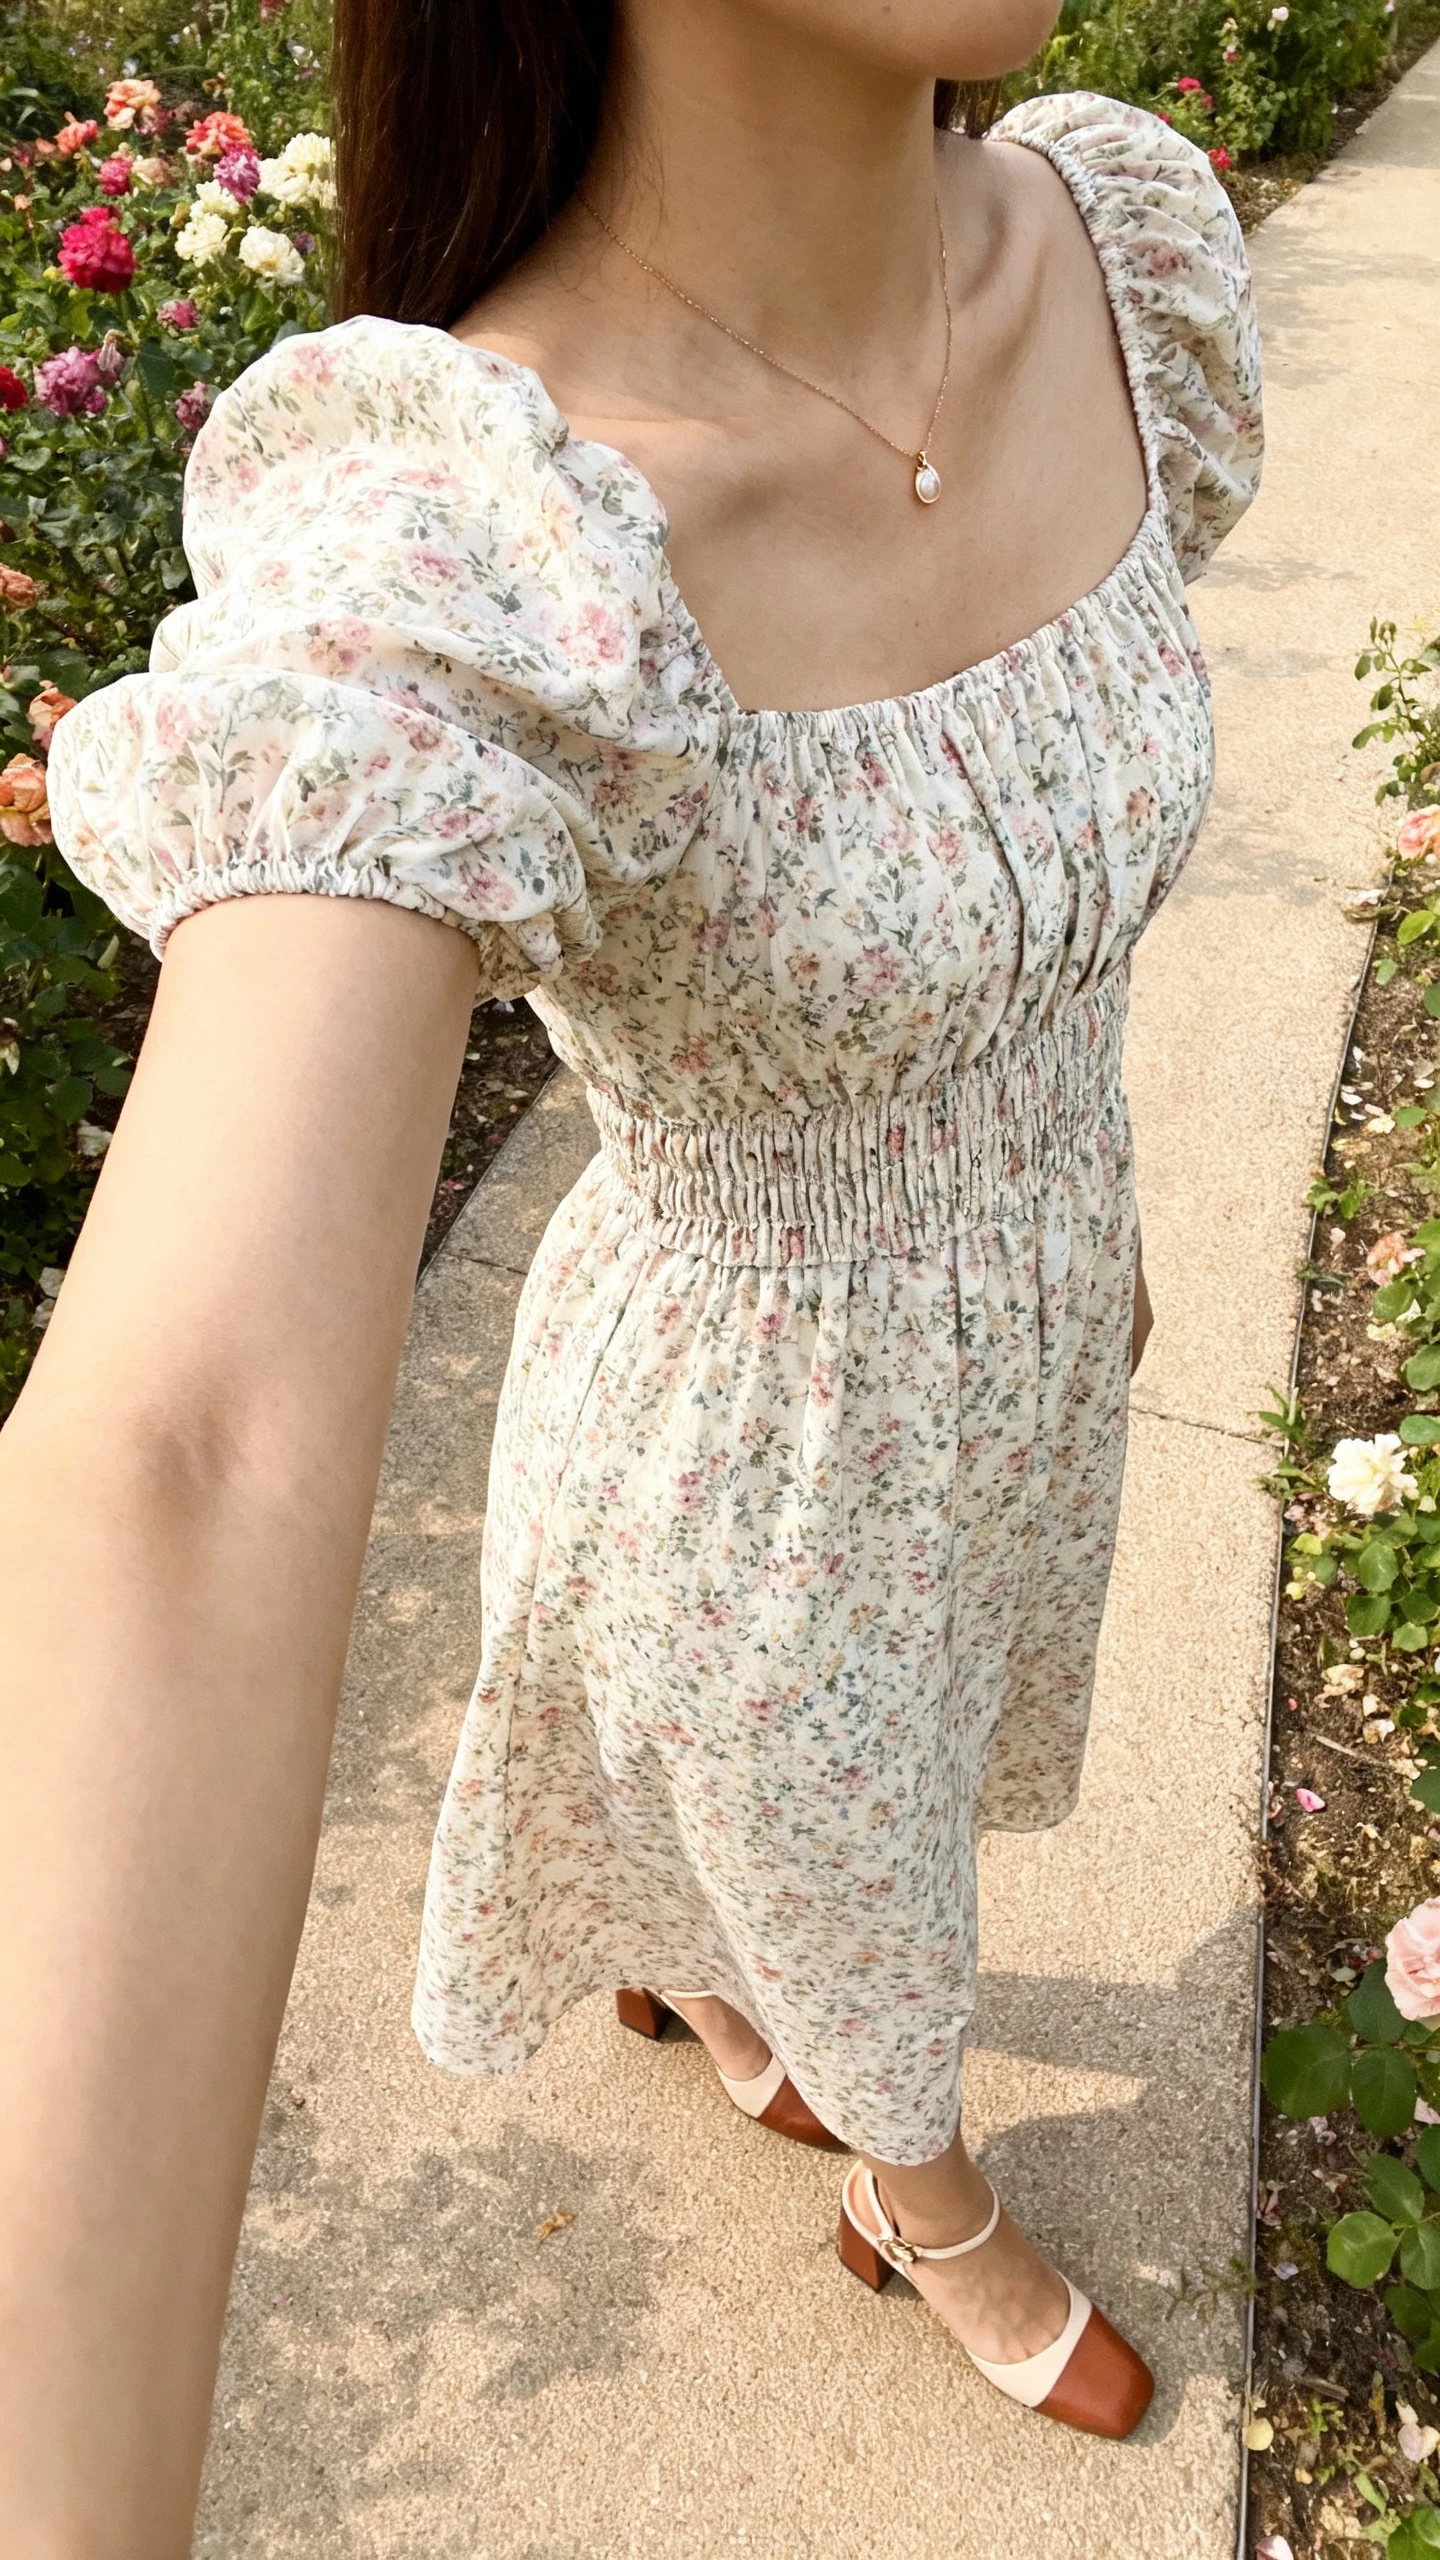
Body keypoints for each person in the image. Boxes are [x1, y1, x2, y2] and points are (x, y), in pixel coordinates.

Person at [0, 0, 1263, 2543]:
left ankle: (710, 1983)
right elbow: (184, 1442)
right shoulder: (491, 528)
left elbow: (1044, 893)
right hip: (753, 1474)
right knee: (863, 1858)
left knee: (884, 1822)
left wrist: (1090, 1215)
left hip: (1031, 1361)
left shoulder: (1118, 252)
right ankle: (918, 2196)